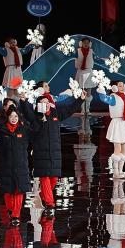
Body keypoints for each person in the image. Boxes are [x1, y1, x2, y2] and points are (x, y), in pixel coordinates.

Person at [21, 83, 81, 211]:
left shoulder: (55, 114)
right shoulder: (36, 117)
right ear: (38, 105)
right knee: (45, 177)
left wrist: (80, 99)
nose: (45, 104)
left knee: (53, 178)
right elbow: (27, 112)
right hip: (40, 152)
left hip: (54, 152)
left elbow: (69, 110)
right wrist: (23, 101)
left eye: (47, 102)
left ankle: (44, 195)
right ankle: (49, 203)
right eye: (42, 102)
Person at [0, 103, 33, 225]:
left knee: (19, 190)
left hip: (21, 165)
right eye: (11, 116)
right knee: (8, 191)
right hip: (6, 165)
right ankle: (10, 209)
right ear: (7, 117)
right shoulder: (2, 131)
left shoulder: (24, 130)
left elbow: (33, 138)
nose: (14, 119)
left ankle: (15, 215)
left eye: (16, 116)